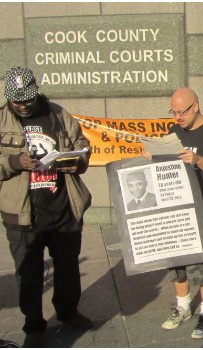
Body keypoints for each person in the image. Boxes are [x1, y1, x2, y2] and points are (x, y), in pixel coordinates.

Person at [0, 67, 93, 347]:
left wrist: (79, 160)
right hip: (22, 213)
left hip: (63, 206)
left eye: (26, 99)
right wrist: (15, 163)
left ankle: (67, 312)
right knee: (28, 272)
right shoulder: (2, 120)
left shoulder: (58, 114)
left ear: (35, 92)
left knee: (67, 268)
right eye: (16, 100)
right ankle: (34, 326)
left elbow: (82, 144)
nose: (21, 105)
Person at [146, 87, 203, 339]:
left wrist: (197, 160)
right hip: (176, 209)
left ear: (196, 106)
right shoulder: (174, 132)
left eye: (181, 112)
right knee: (177, 263)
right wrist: (151, 156)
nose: (177, 117)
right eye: (173, 112)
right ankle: (182, 307)